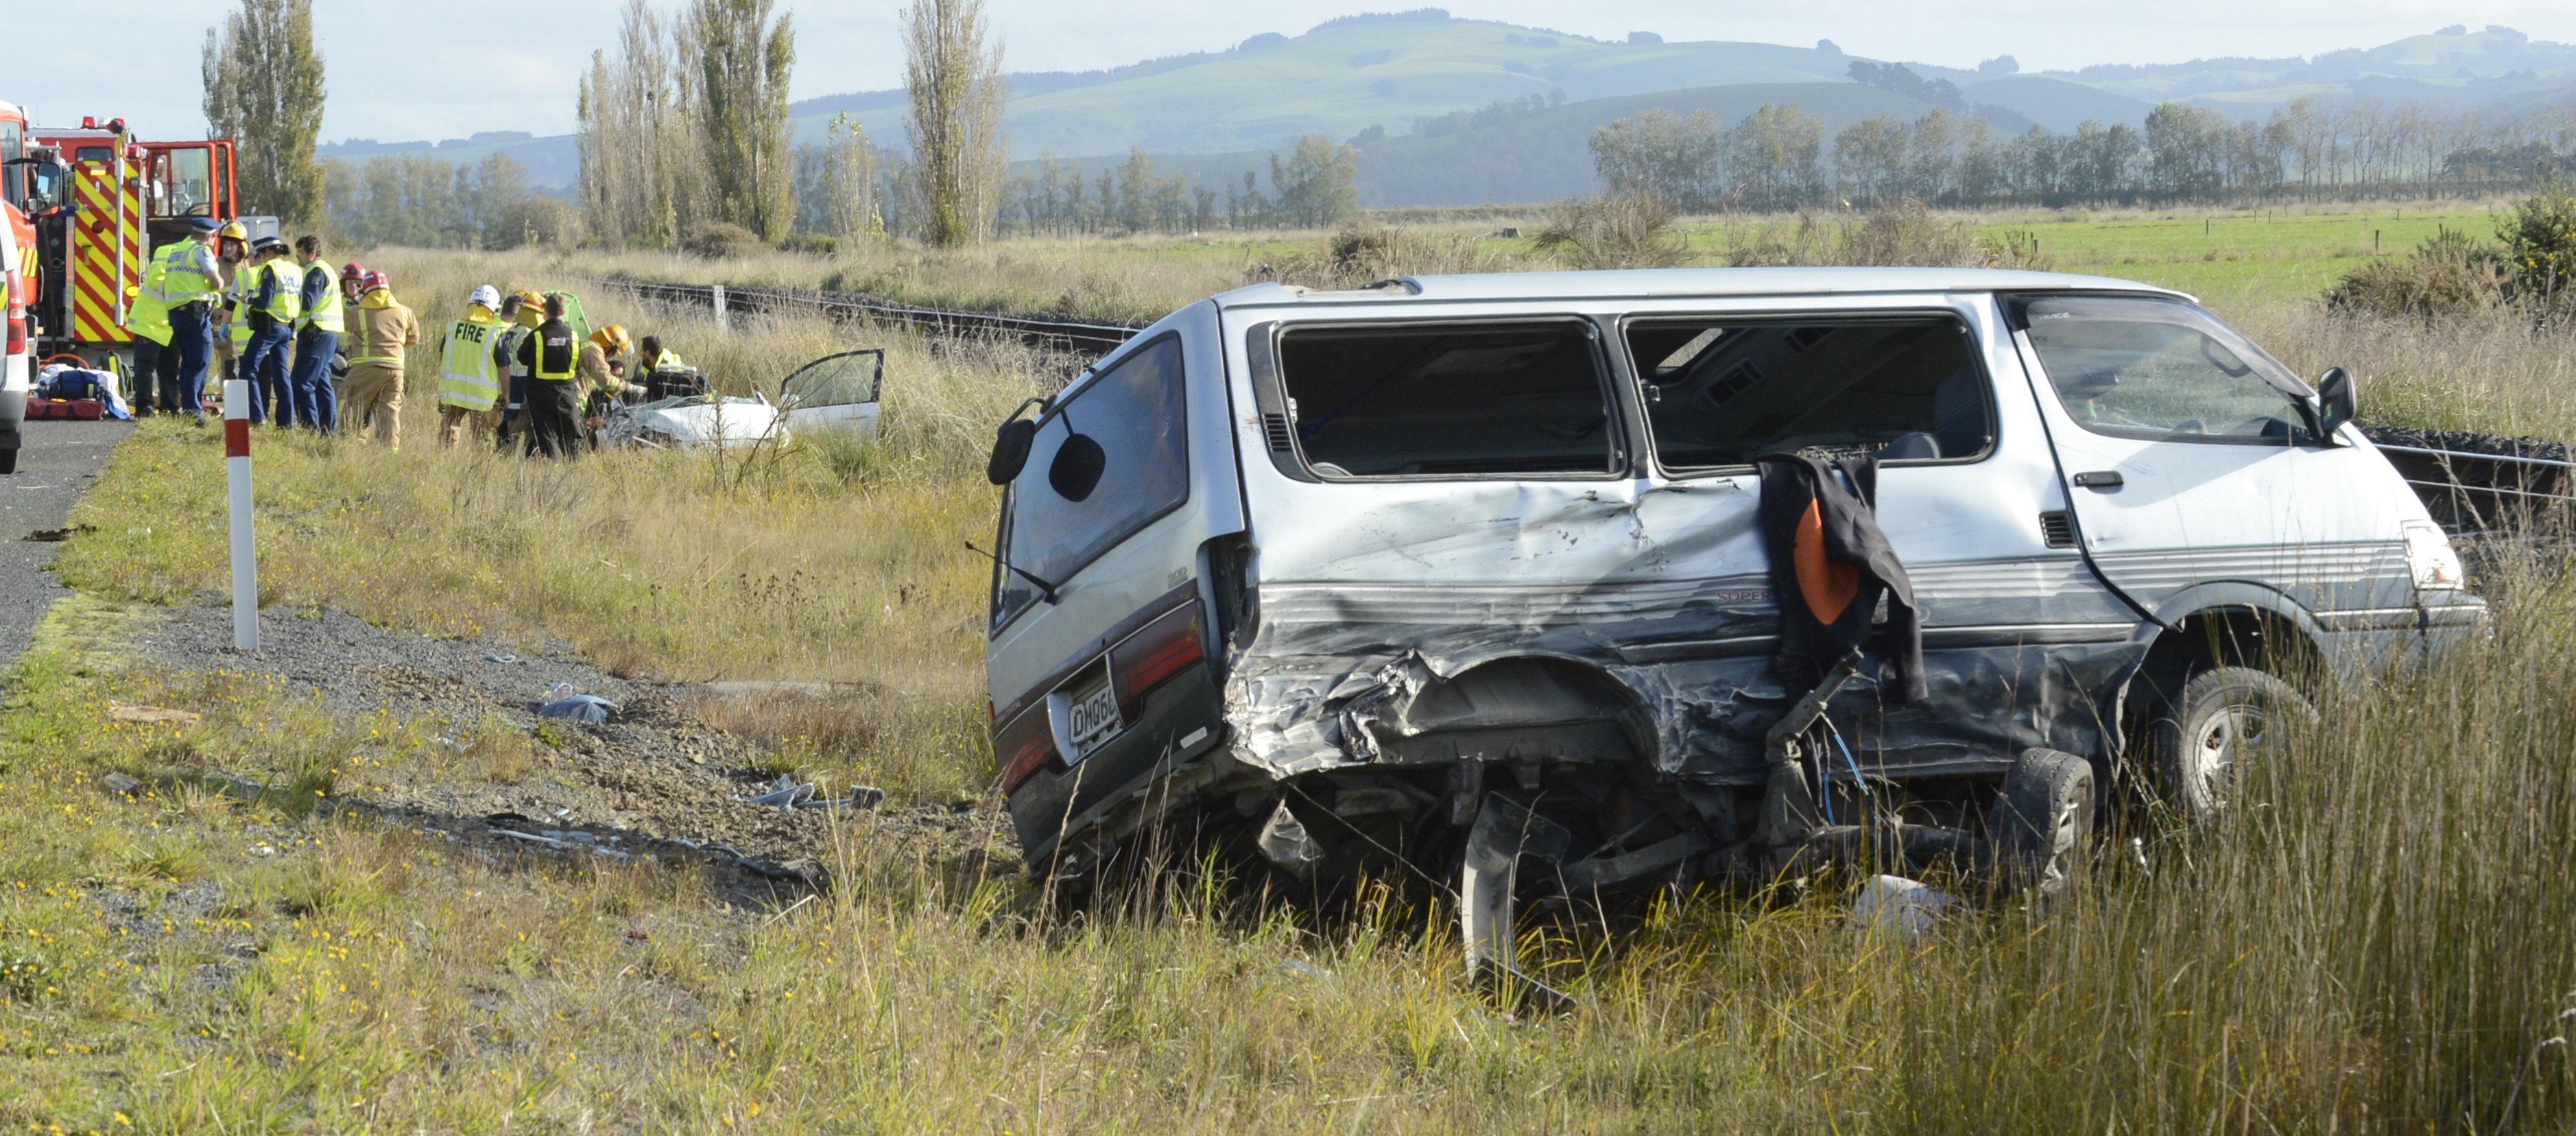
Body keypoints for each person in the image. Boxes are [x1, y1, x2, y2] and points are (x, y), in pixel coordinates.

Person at [339, 271, 418, 447]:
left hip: (365, 368)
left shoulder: (355, 312)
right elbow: (413, 339)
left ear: (366, 290)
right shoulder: (405, 312)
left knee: (351, 404)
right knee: (389, 411)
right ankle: (390, 452)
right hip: (396, 369)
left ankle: (344, 446)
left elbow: (341, 331)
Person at [239, 237, 304, 427]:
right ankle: (286, 424)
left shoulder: (271, 269)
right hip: (287, 327)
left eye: (259, 255)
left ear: (267, 252)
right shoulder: (295, 270)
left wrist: (248, 299)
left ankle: (258, 418)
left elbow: (264, 302)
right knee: (281, 375)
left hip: (269, 327)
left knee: (247, 369)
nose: (258, 259)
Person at [514, 293, 586, 458]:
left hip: (541, 394)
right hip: (567, 393)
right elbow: (577, 365)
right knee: (572, 434)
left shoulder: (536, 335)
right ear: (563, 312)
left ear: (545, 311)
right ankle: (574, 465)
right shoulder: (574, 336)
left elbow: (522, 358)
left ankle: (552, 467)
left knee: (547, 436)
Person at [436, 285, 506, 447]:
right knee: (481, 438)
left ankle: (445, 465)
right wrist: (506, 393)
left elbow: (442, 356)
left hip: (453, 390)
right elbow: (504, 368)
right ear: (494, 309)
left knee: (448, 433)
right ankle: (480, 470)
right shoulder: (494, 334)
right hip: (481, 396)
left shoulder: (452, 327)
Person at [289, 235, 342, 431]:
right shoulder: (326, 269)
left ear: (312, 253)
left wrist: (287, 300)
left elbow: (307, 303)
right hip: (326, 334)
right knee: (322, 382)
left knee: (301, 382)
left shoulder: (315, 272)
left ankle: (310, 428)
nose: (297, 257)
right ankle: (328, 429)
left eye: (301, 253)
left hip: (316, 333)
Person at [491, 290, 545, 453]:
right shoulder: (528, 334)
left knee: (502, 435)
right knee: (517, 440)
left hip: (506, 390)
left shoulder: (509, 332)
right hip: (522, 393)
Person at [579, 324, 634, 441]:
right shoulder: (594, 350)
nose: (612, 356)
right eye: (614, 352)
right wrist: (628, 387)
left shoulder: (586, 343)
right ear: (610, 346)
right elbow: (607, 380)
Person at [635, 335, 692, 399]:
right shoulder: (648, 366)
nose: (640, 353)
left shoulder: (666, 369)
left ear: (648, 353)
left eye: (641, 350)